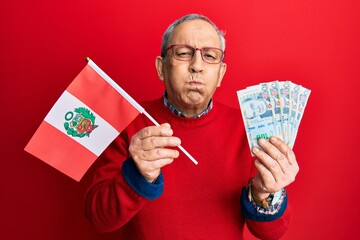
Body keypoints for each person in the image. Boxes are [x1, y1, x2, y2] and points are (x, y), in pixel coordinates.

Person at [85, 13, 299, 240]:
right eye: (184, 53)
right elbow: (99, 219)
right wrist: (138, 175)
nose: (197, 66)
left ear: (220, 74)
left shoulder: (249, 128)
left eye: (209, 55)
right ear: (161, 67)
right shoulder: (130, 122)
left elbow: (273, 233)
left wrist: (265, 193)